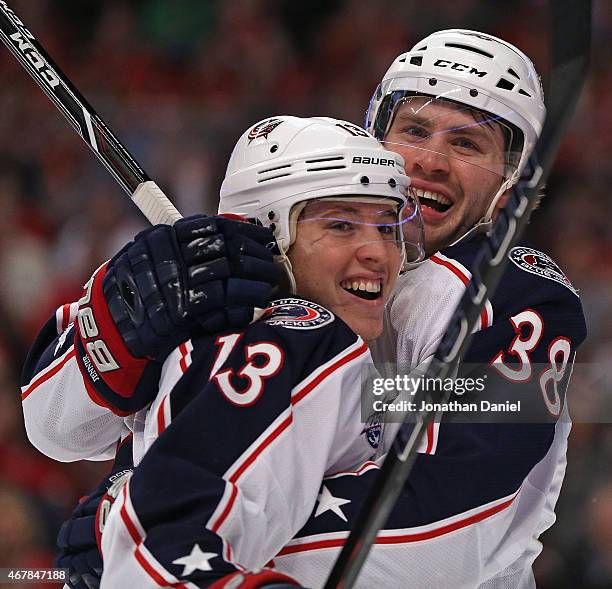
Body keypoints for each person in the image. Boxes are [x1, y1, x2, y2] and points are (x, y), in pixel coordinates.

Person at [23, 30, 586, 589]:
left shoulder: (523, 298)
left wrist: (154, 528)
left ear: (512, 187)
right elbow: (57, 431)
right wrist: (125, 318)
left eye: (467, 145)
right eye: (414, 129)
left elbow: (454, 531)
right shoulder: (222, 275)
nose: (432, 161)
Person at [22, 115, 425, 588]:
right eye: (340, 225)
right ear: (266, 233)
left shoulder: (338, 351)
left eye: (387, 226)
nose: (378, 252)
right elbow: (163, 553)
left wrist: (122, 505)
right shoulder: (301, 336)